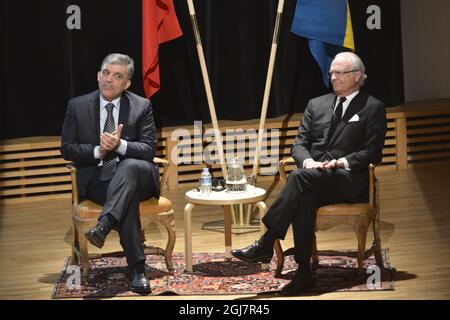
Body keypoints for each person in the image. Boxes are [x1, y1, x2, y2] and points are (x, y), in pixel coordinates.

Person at [231, 52, 387, 295]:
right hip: (313, 178)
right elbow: (299, 145)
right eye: (331, 73)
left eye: (339, 73)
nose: (333, 77)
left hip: (347, 181)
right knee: (302, 193)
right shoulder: (317, 104)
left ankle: (266, 241)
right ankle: (303, 273)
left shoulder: (373, 107)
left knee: (298, 180)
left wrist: (340, 162)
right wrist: (308, 162)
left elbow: (373, 152)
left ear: (357, 76)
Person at [60, 53, 160, 294]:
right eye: (105, 73)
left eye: (117, 76)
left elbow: (148, 150)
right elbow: (67, 148)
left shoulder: (141, 106)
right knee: (127, 201)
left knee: (129, 166)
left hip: (141, 177)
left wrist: (120, 146)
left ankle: (103, 225)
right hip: (99, 180)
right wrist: (98, 150)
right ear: (98, 76)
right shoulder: (78, 105)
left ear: (126, 84)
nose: (109, 80)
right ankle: (137, 270)